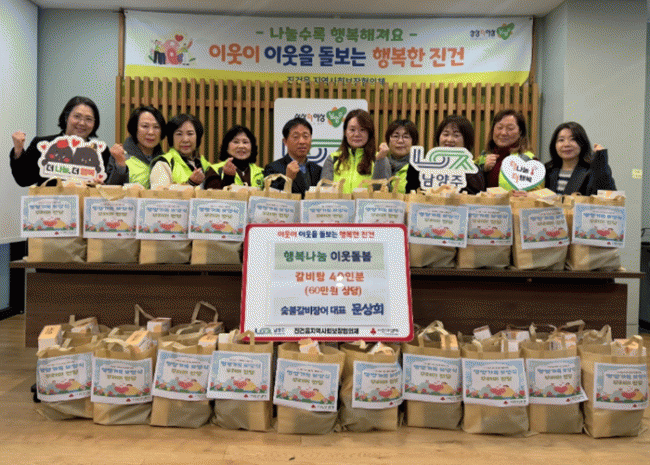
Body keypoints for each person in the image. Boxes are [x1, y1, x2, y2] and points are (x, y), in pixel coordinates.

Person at [10, 96, 111, 186]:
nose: (82, 123)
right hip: (49, 201)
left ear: (95, 123)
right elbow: (23, 180)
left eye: (88, 119)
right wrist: (18, 149)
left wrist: (102, 185)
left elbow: (110, 184)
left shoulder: (100, 151)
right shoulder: (44, 145)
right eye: (77, 116)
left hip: (85, 201)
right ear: (66, 117)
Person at [403, 115, 486, 194]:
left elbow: (477, 199)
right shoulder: (421, 167)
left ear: (466, 140)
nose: (449, 139)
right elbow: (410, 194)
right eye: (446, 134)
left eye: (456, 135)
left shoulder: (473, 171)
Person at [321, 109, 390, 194]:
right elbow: (325, 193)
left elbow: (382, 193)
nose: (357, 134)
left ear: (369, 133)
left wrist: (380, 161)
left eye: (362, 130)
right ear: (345, 132)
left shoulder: (379, 158)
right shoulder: (333, 159)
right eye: (352, 130)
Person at [545, 121, 615, 195]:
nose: (566, 144)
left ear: (582, 143)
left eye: (573, 139)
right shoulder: (547, 170)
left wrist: (601, 159)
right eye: (561, 140)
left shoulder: (594, 169)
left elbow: (607, 196)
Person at [105, 106, 166, 188]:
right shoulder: (119, 155)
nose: (151, 132)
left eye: (156, 127)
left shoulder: (166, 160)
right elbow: (109, 191)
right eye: (145, 126)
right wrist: (120, 166)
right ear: (135, 128)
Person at [475, 109, 536, 190]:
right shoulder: (483, 156)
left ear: (520, 132)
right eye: (499, 128)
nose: (503, 133)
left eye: (510, 128)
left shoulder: (529, 160)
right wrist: (482, 169)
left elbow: (537, 192)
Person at [263, 117, 322, 197]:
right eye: (295, 137)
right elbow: (270, 198)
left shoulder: (318, 170)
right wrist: (288, 179)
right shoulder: (273, 168)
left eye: (305, 136)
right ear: (285, 141)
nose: (302, 141)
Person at [150, 114, 210, 189]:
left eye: (190, 134)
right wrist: (190, 183)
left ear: (197, 137)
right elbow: (160, 192)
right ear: (171, 138)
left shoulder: (204, 164)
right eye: (179, 134)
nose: (185, 139)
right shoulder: (163, 163)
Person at [204, 125, 264, 190]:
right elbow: (212, 195)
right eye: (236, 142)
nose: (241, 146)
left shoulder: (262, 173)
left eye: (245, 142)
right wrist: (228, 178)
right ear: (227, 147)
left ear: (252, 147)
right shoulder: (215, 170)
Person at [377, 119, 417, 194]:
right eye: (396, 136)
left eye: (406, 137)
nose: (400, 141)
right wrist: (380, 161)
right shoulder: (381, 162)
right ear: (388, 141)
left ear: (413, 142)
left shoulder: (418, 168)